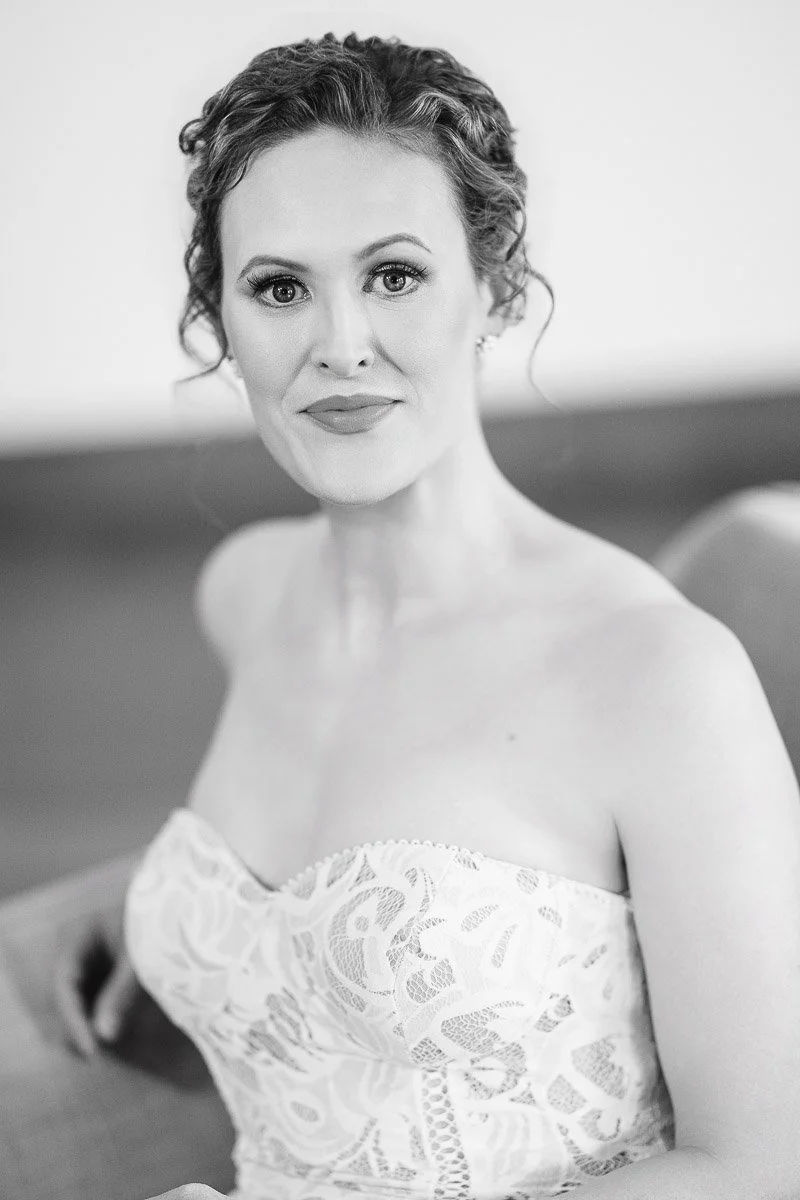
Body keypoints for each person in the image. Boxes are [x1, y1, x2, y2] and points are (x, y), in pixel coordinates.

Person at [54, 30, 800, 1200]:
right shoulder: (243, 594)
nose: (339, 347)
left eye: (393, 274)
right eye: (279, 288)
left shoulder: (655, 676)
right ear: (219, 321)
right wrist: (138, 902)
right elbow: (319, 865)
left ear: (493, 285)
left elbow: (763, 1166)